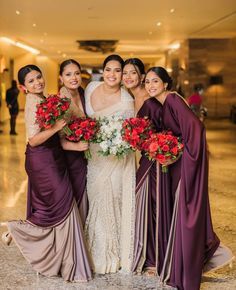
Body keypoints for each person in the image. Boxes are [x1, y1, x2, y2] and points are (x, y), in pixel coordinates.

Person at [144, 66, 234, 290]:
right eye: (147, 82)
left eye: (155, 81)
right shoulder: (161, 104)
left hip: (185, 166)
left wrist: (176, 153)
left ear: (166, 83)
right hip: (175, 166)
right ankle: (185, 261)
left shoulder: (173, 100)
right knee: (177, 212)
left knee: (185, 213)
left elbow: (196, 130)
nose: (150, 85)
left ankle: (195, 263)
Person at [1, 65, 92, 282]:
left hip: (54, 158)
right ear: (23, 87)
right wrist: (56, 127)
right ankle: (16, 230)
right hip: (42, 161)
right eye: (31, 81)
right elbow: (33, 140)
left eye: (38, 77)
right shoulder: (33, 102)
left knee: (57, 208)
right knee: (61, 206)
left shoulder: (45, 99)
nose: (37, 83)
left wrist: (78, 146)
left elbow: (58, 140)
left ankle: (61, 259)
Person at [84, 54, 136, 274]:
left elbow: (128, 134)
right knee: (94, 198)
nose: (112, 75)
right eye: (108, 69)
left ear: (122, 74)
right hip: (92, 158)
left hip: (115, 159)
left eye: (117, 70)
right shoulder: (91, 87)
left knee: (112, 200)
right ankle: (89, 251)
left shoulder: (127, 100)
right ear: (102, 71)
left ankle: (110, 254)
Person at [122, 58, 163, 275]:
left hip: (156, 160)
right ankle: (148, 254)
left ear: (141, 76)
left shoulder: (151, 98)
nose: (128, 77)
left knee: (153, 204)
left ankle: (155, 258)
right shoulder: (129, 97)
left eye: (133, 73)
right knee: (143, 203)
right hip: (143, 157)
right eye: (125, 73)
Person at [59, 59, 89, 224]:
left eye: (77, 73)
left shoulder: (84, 94)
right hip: (71, 158)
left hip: (88, 156)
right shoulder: (61, 102)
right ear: (61, 78)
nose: (74, 78)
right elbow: (58, 139)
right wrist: (77, 146)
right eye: (68, 74)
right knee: (76, 197)